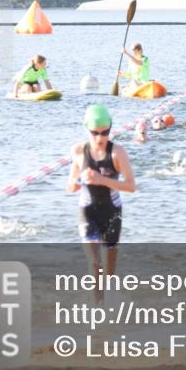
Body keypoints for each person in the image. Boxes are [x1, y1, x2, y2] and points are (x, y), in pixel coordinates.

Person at [67, 105, 136, 303]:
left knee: (109, 271)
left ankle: (109, 302)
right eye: (95, 133)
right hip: (87, 210)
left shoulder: (117, 153)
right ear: (87, 129)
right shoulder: (79, 151)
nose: (100, 138)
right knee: (94, 263)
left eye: (105, 132)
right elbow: (71, 186)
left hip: (111, 212)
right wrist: (80, 180)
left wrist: (101, 179)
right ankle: (96, 310)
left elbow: (131, 186)